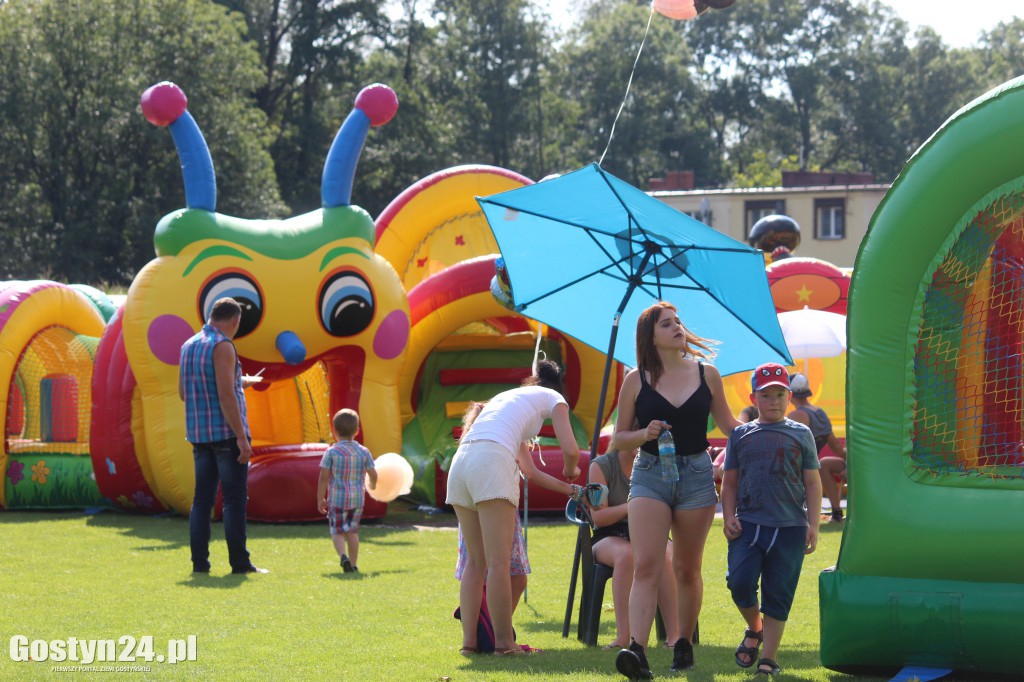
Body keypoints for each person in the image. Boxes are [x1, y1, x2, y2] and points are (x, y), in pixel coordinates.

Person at [611, 301, 741, 680]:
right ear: (650, 336)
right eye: (667, 324)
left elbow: (729, 424)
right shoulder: (636, 380)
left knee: (687, 568)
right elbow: (619, 439)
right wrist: (643, 432)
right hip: (650, 472)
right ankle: (636, 649)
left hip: (697, 474)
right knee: (647, 564)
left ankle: (682, 643)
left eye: (678, 321)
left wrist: (768, 430)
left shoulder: (708, 373)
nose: (677, 327)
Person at [446, 360, 583, 656]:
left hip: (462, 463)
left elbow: (531, 472)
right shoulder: (555, 399)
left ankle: (469, 644)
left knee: (476, 563)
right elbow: (571, 450)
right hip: (491, 462)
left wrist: (572, 490)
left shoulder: (506, 401)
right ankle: (504, 644)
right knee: (498, 564)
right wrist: (571, 469)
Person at [721, 363, 822, 677]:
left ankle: (769, 657)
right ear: (754, 398)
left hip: (790, 527)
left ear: (790, 397)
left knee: (779, 593)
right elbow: (730, 482)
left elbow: (813, 482)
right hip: (749, 524)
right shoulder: (739, 435)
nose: (774, 400)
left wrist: (814, 524)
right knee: (739, 583)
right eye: (767, 395)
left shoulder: (801, 433)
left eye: (780, 394)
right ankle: (755, 627)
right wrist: (727, 516)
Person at [178, 297, 266, 575]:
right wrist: (241, 436)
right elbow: (225, 394)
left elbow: (184, 392)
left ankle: (199, 563)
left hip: (198, 435)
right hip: (227, 436)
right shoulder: (223, 345)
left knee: (201, 501)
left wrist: (241, 381)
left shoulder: (188, 345)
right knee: (234, 501)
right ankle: (239, 563)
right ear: (234, 320)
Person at [588, 448, 681, 651]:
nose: (638, 444)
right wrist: (636, 505)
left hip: (649, 530)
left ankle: (675, 637)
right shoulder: (601, 466)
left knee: (664, 554)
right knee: (627, 555)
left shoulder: (660, 462)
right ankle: (624, 637)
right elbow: (598, 517)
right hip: (610, 535)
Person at [317, 408, 378, 573]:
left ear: (335, 431)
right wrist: (372, 485)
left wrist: (320, 498)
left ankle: (343, 556)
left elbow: (323, 476)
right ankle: (353, 563)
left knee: (337, 531)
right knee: (352, 532)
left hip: (337, 498)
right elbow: (373, 473)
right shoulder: (363, 452)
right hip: (357, 499)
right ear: (357, 430)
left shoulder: (331, 452)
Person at [786, 373, 847, 523]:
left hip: (798, 468)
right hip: (809, 466)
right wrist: (848, 460)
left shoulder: (797, 415)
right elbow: (834, 444)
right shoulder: (819, 413)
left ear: (789, 393)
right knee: (823, 464)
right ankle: (836, 512)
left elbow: (788, 450)